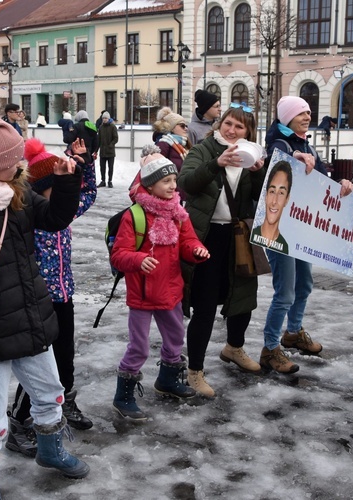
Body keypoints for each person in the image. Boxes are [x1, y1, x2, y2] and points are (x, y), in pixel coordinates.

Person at [0, 110, 89, 498]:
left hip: (28, 312)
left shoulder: (19, 194)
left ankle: (50, 450)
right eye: (13, 161)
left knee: (51, 391)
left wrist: (64, 180)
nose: (20, 165)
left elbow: (56, 218)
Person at [5, 137, 97, 457]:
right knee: (40, 366)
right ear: (41, 188)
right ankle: (19, 421)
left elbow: (87, 193)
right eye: (57, 186)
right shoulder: (32, 216)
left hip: (64, 295)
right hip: (39, 301)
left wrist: (84, 165)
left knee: (65, 357)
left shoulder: (65, 211)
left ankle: (65, 402)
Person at [110, 150, 209, 421]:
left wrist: (197, 250)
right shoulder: (135, 216)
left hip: (171, 290)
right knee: (139, 347)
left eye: (174, 180)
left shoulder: (178, 214)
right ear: (150, 185)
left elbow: (188, 242)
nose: (173, 186)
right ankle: (124, 396)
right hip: (142, 295)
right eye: (166, 181)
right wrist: (139, 259)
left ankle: (167, 380)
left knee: (176, 339)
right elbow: (119, 254)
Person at [260, 96, 353, 374]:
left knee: (304, 286)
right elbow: (271, 173)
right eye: (301, 112)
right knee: (285, 293)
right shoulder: (280, 143)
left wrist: (341, 185)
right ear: (287, 116)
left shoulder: (307, 143)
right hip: (281, 230)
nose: (307, 116)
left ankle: (293, 332)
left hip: (303, 229)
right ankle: (270, 348)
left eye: (309, 112)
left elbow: (320, 182)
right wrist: (291, 160)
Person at [178, 106, 266, 398]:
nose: (231, 130)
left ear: (248, 133)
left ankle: (234, 347)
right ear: (220, 124)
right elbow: (186, 183)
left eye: (239, 127)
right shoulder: (204, 149)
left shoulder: (250, 154)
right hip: (206, 235)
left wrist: (258, 173)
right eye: (228, 123)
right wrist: (216, 163)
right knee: (204, 306)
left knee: (243, 297)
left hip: (238, 235)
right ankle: (195, 371)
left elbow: (259, 197)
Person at [251, 160, 292, 255]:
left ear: (287, 199)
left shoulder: (284, 245)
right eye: (272, 191)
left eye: (281, 193)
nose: (274, 201)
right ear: (265, 195)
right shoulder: (253, 234)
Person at [97, 111, 118, 187]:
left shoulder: (113, 127)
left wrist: (111, 145)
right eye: (103, 118)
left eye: (105, 118)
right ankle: (103, 180)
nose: (104, 119)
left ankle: (110, 181)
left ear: (108, 119)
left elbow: (116, 138)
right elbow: (98, 140)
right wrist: (96, 150)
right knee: (102, 167)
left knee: (110, 167)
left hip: (110, 152)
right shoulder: (101, 127)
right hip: (102, 151)